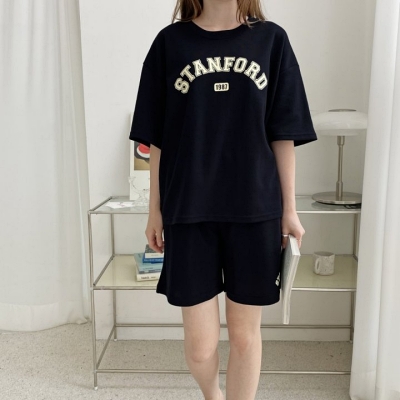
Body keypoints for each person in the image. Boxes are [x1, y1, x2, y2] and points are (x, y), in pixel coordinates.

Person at [129, 0, 318, 398]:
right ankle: (213, 394)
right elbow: (157, 138)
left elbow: (282, 134)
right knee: (200, 347)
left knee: (245, 337)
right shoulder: (170, 43)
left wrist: (289, 210)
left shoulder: (272, 41)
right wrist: (154, 210)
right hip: (188, 209)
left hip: (255, 209)